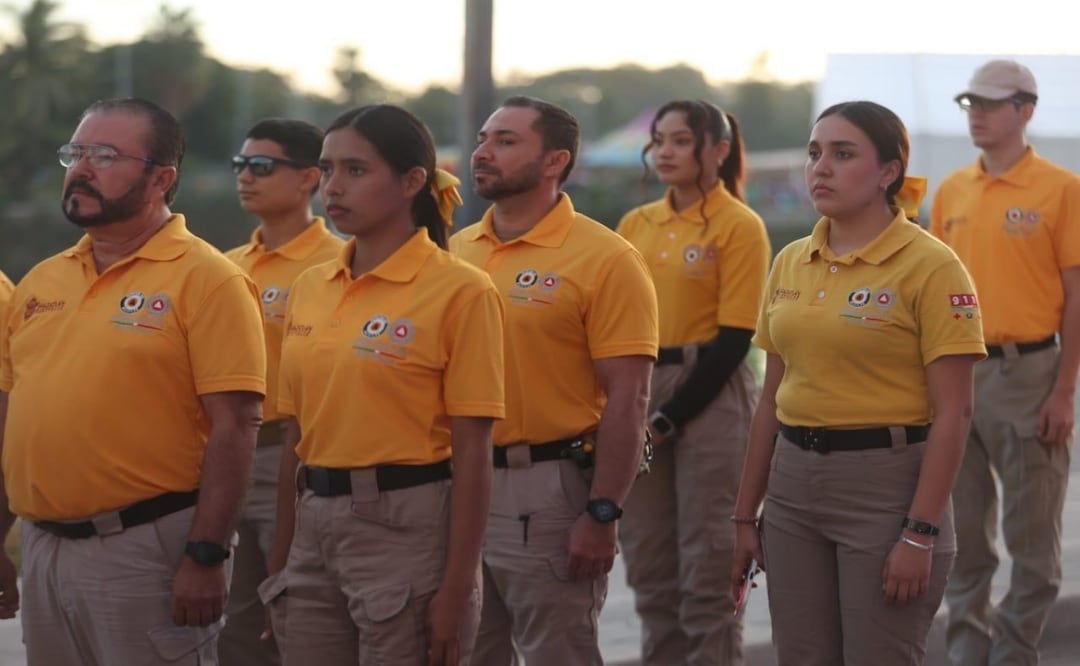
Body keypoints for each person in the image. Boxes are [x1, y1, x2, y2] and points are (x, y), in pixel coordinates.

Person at [0, 97, 267, 665]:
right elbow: (13, 419)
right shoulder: (42, 281)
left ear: (161, 179)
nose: (81, 169)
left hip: (146, 550)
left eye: (104, 155)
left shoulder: (209, 280)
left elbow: (237, 426)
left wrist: (206, 554)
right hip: (44, 550)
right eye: (75, 153)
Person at [730, 100, 986, 666]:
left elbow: (955, 414)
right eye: (814, 153)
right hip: (793, 488)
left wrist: (918, 533)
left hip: (886, 489)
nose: (820, 167)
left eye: (843, 154)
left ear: (889, 171)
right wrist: (745, 516)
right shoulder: (791, 260)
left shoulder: (931, 265)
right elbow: (771, 400)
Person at [259, 104, 504, 666]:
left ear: (412, 181)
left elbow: (473, 450)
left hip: (405, 525)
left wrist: (457, 587)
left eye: (356, 170)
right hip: (313, 525)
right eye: (327, 169)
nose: (333, 187)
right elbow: (298, 435)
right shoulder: (312, 285)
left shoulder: (459, 290)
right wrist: (282, 560)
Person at [451, 95, 659, 665]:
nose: (483, 152)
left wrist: (602, 512)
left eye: (505, 141)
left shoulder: (606, 258)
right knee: (463, 651)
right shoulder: (454, 251)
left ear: (554, 161)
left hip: (546, 488)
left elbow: (629, 397)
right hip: (456, 482)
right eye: (483, 139)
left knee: (557, 653)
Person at [931, 60, 1080, 666]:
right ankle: (968, 655)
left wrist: (1064, 391)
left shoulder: (1062, 189)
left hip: (1029, 375)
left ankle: (1013, 655)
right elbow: (933, 292)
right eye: (971, 104)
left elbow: (1076, 295)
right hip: (957, 376)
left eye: (991, 104)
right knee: (962, 540)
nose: (977, 115)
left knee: (1033, 547)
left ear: (1026, 110)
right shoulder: (951, 190)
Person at [614, 100, 770, 665]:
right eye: (659, 140)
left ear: (719, 150)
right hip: (642, 385)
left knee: (709, 571)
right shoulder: (635, 224)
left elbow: (735, 340)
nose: (665, 152)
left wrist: (666, 419)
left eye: (681, 141)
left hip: (711, 395)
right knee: (650, 569)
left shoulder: (739, 224)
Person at [220, 117, 343, 666]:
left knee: (297, 612)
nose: (245, 177)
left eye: (262, 166)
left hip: (293, 455)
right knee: (232, 624)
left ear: (309, 178)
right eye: (240, 165)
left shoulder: (338, 263)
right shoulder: (225, 268)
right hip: (225, 455)